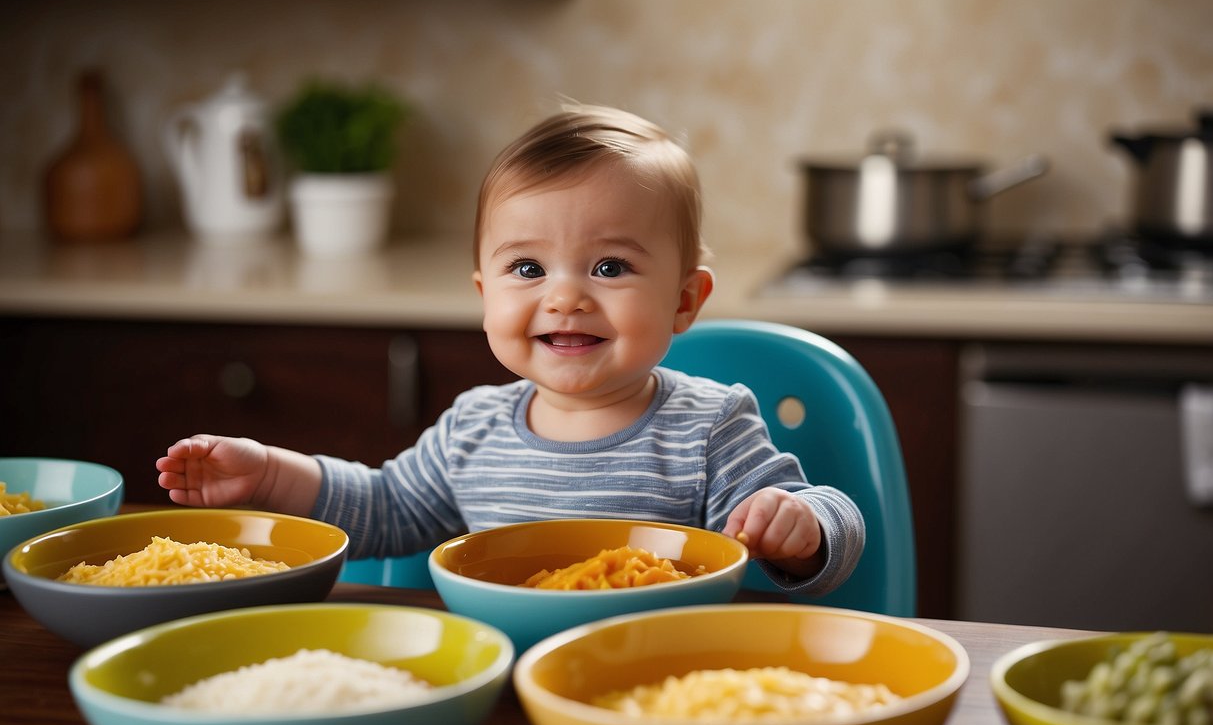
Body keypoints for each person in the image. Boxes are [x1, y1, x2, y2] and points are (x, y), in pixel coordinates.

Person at [157, 103, 864, 593]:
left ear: (683, 300)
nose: (564, 298)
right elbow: (383, 507)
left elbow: (830, 524)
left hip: (660, 685)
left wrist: (801, 527)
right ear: (483, 294)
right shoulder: (472, 429)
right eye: (527, 270)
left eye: (609, 267)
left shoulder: (710, 427)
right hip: (502, 690)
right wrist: (272, 477)